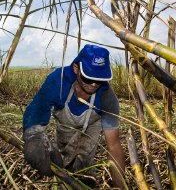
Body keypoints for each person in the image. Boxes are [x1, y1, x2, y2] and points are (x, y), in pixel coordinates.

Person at [23, 44, 125, 189]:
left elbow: (114, 146)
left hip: (90, 130)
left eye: (99, 78)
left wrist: (120, 187)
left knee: (84, 168)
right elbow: (38, 107)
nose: (94, 83)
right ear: (76, 68)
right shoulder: (58, 81)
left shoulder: (107, 97)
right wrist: (33, 135)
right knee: (61, 165)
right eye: (88, 77)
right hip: (64, 129)